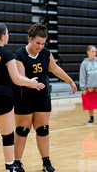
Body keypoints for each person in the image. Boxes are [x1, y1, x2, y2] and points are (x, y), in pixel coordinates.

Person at [0, 22, 45, 172]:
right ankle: (10, 167)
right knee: (8, 134)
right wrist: (31, 83)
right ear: (2, 36)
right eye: (7, 33)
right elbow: (17, 78)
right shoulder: (7, 55)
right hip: (2, 96)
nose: (8, 36)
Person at [12, 23, 77, 172]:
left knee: (43, 129)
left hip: (42, 98)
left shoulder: (46, 53)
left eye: (43, 43)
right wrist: (31, 83)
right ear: (30, 39)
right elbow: (20, 77)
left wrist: (70, 81)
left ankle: (46, 162)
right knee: (22, 130)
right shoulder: (19, 55)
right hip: (24, 98)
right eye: (37, 43)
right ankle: (16, 162)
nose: (40, 46)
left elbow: (55, 68)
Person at [79, 45, 97, 124]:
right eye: (92, 51)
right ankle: (91, 118)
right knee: (90, 103)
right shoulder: (84, 63)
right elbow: (82, 76)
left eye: (95, 51)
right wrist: (83, 88)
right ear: (88, 52)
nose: (94, 53)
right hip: (90, 85)